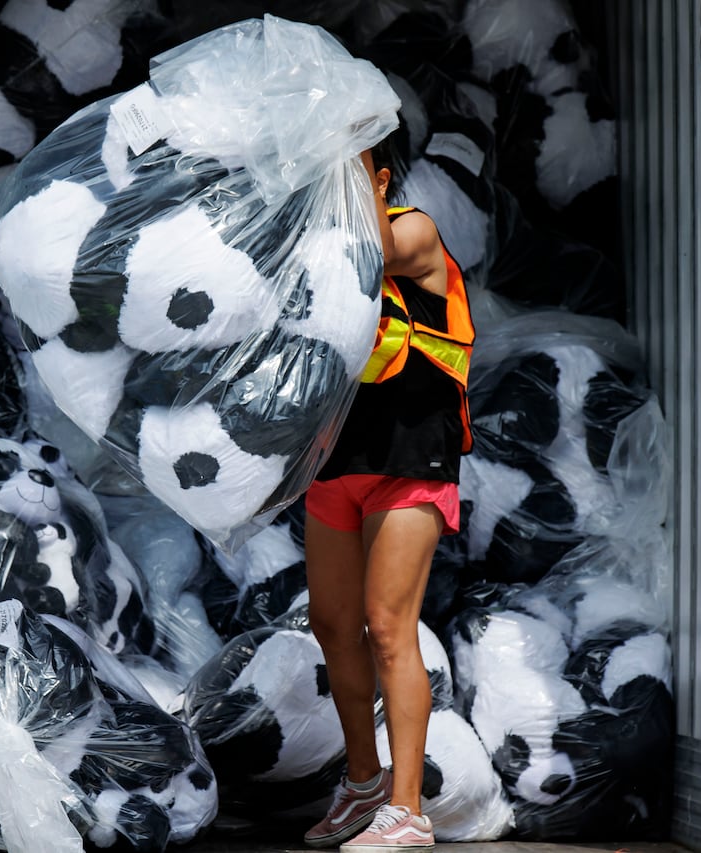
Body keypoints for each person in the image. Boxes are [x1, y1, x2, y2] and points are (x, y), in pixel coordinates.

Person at [301, 136, 475, 852]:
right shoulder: (309, 250)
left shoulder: (411, 230)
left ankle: (409, 813)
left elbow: (368, 249)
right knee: (333, 623)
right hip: (337, 462)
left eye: (346, 177)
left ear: (376, 177)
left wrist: (358, 194)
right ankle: (365, 782)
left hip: (411, 458)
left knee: (387, 624)